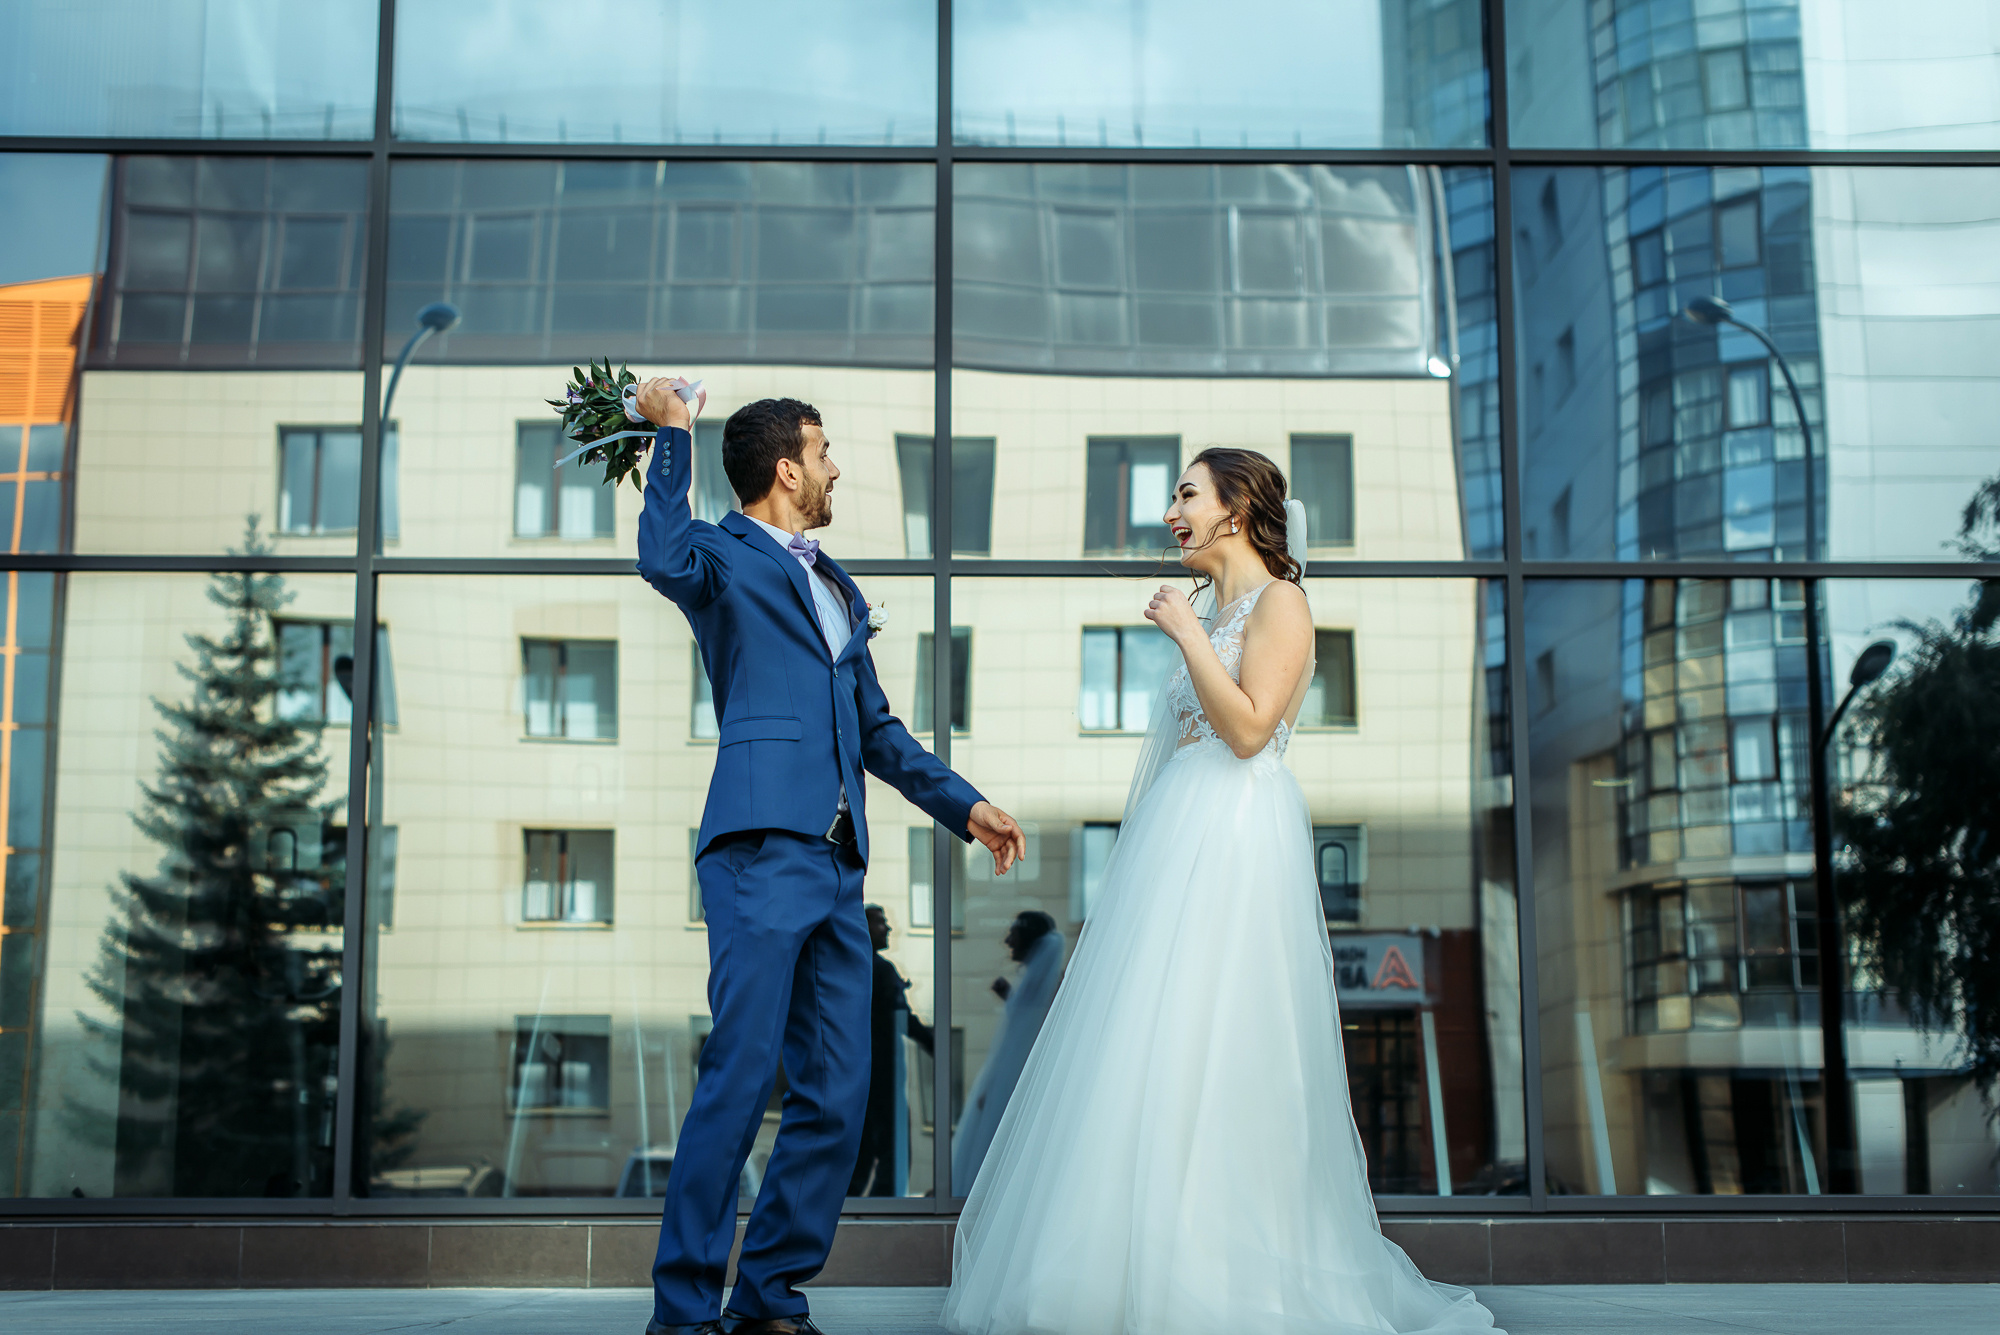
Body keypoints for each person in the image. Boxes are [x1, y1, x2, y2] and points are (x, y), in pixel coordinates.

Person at [942, 449, 1502, 1335]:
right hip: (1178, 839)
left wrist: (1188, 636)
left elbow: (1247, 730)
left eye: (1186, 494)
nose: (1171, 511)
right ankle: (1125, 1267)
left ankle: (1225, 1275)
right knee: (1150, 1045)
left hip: (1240, 838)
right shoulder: (1213, 611)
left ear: (1236, 509)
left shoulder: (1283, 603)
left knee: (1226, 1042)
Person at [631, 380, 1027, 1335]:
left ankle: (770, 1293)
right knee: (740, 1075)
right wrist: (673, 433)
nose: (835, 466)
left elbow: (877, 728)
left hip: (840, 866)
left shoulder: (839, 586)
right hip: (759, 850)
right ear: (786, 468)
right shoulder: (719, 553)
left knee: (841, 1089)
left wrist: (965, 804)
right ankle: (682, 1311)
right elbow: (662, 557)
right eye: (824, 450)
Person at [950, 911, 1063, 1195]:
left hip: (1020, 1078)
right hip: (1007, 1076)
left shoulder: (1052, 984)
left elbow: (1033, 1034)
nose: (1007, 941)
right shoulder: (1034, 981)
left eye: (1013, 935)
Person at [848, 904, 933, 1197]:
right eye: (880, 922)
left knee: (862, 1147)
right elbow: (902, 1016)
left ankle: (852, 1205)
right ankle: (881, 1205)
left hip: (858, 1073)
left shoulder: (851, 968)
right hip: (882, 1074)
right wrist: (933, 1043)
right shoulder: (879, 969)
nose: (888, 928)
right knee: (893, 1147)